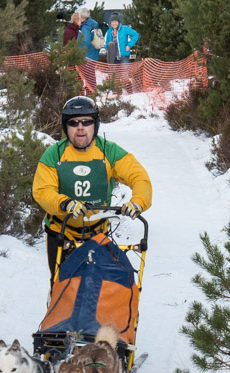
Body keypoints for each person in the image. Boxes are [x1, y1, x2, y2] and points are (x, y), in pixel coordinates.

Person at [32, 95, 152, 287]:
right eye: (73, 122)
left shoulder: (110, 152)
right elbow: (42, 190)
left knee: (100, 287)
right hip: (61, 234)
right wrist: (65, 203)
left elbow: (139, 177)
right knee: (61, 286)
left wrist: (138, 201)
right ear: (66, 126)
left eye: (86, 121)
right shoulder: (54, 154)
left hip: (98, 233)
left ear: (95, 125)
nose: (80, 127)